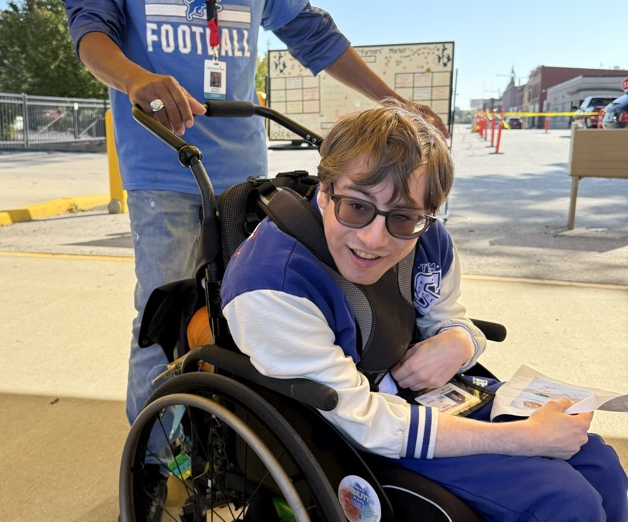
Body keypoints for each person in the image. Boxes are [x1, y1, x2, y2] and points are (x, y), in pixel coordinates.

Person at [58, 0, 449, 450]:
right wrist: (139, 79)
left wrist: (388, 98)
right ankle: (157, 462)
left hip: (245, 168)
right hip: (165, 162)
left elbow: (311, 31)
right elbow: (90, 31)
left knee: (246, 310)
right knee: (169, 312)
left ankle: (227, 441)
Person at [221, 103, 627, 521]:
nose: (375, 239)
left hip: (426, 398)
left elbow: (447, 315)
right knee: (563, 501)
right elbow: (362, 420)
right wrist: (523, 438)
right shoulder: (271, 284)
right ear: (324, 191)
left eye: (403, 217)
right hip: (351, 425)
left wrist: (459, 341)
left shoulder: (429, 240)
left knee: (600, 464)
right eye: (357, 207)